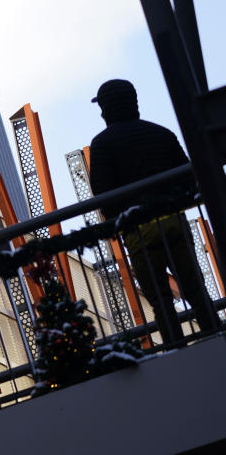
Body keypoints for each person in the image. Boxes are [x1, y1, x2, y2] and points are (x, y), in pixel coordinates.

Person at [88, 79, 217, 343]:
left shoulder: (102, 144)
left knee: (160, 299)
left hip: (138, 230)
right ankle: (216, 335)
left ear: (106, 109)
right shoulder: (161, 133)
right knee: (194, 288)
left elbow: (103, 194)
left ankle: (176, 347)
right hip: (173, 220)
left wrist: (116, 220)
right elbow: (189, 178)